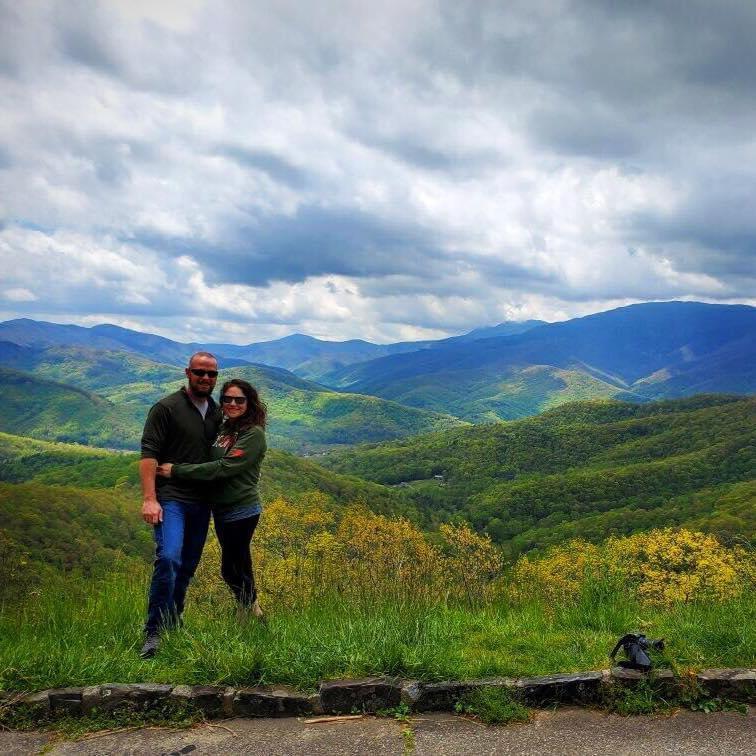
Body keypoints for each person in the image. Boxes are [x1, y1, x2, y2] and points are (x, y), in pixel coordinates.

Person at [156, 378, 267, 623]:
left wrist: (176, 470)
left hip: (242, 509)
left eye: (240, 399)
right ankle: (248, 612)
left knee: (232, 567)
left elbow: (223, 468)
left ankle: (254, 613)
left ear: (250, 402)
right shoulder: (227, 429)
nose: (233, 403)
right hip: (222, 509)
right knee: (237, 565)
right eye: (227, 399)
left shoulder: (253, 434)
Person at [139, 352, 221, 659]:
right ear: (187, 372)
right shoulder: (166, 408)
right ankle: (154, 632)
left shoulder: (215, 410)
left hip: (203, 502)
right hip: (171, 498)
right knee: (169, 558)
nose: (205, 378)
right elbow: (149, 456)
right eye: (200, 372)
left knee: (186, 567)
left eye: (211, 374)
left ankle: (174, 622)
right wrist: (149, 498)